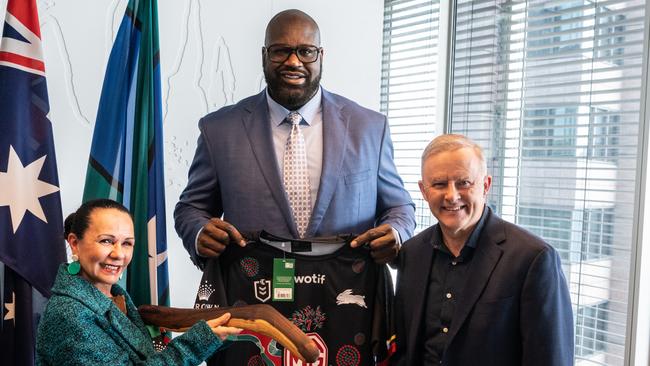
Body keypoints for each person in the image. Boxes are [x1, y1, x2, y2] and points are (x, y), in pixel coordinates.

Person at [173, 9, 415, 268]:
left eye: (306, 51)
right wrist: (199, 232)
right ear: (264, 56)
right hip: (251, 293)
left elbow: (399, 206)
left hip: (347, 291)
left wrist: (396, 232)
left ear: (320, 56)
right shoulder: (219, 129)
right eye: (280, 50)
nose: (293, 61)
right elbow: (191, 208)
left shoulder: (369, 128)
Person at [392, 134, 574, 365]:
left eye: (464, 182)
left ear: (485, 185)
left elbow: (550, 358)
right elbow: (404, 350)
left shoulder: (532, 259)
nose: (452, 195)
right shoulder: (412, 253)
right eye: (439, 184)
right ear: (424, 190)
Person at [36, 199, 242, 365]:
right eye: (106, 241)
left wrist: (214, 337)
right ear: (74, 244)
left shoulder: (116, 297)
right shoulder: (68, 313)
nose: (118, 254)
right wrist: (197, 343)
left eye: (127, 243)